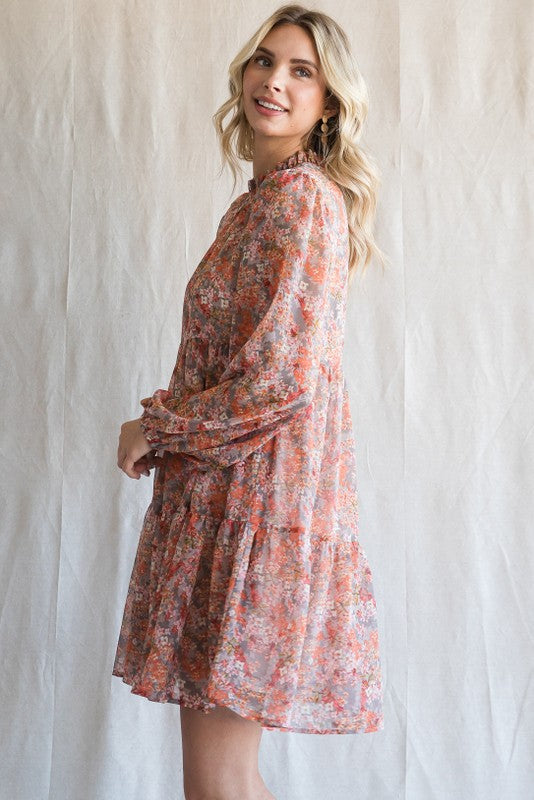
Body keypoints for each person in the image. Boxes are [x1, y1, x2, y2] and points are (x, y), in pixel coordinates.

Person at [113, 5, 386, 799]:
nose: (275, 81)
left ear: (329, 102)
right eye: (265, 61)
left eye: (302, 71)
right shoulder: (262, 200)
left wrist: (158, 427)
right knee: (222, 782)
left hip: (254, 517)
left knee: (220, 785)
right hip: (226, 509)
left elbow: (282, 381)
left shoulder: (301, 201)